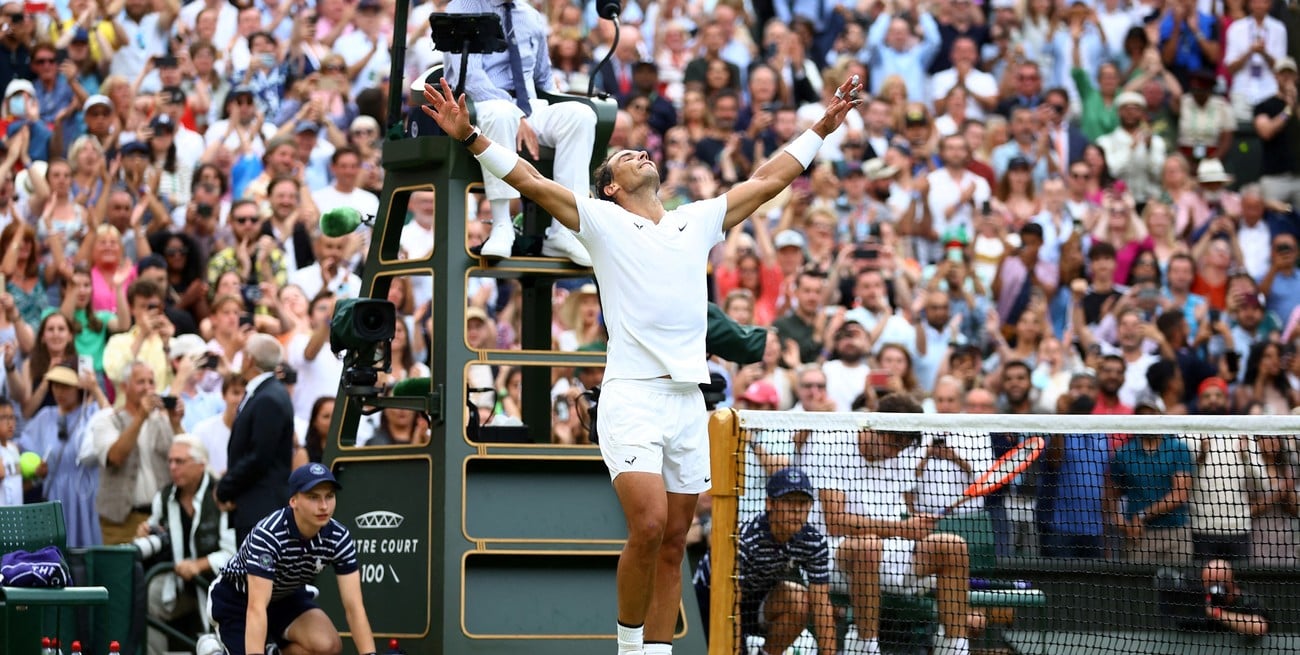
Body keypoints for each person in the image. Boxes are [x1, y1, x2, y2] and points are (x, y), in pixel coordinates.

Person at [421, 72, 863, 655]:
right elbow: (530, 179)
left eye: (640, 151)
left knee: (675, 541)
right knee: (649, 525)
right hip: (631, 396)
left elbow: (767, 180)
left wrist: (821, 129)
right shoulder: (602, 222)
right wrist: (470, 136)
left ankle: (657, 651)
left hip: (688, 402)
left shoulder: (694, 220)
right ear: (610, 188)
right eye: (624, 157)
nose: (638, 152)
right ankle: (629, 648)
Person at [812, 393, 972, 655]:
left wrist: (916, 524)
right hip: (832, 555)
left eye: (904, 445)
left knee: (953, 546)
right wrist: (900, 529)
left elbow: (906, 513)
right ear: (877, 427)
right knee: (868, 546)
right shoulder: (834, 446)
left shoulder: (904, 456)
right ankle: (866, 647)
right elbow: (835, 522)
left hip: (889, 551)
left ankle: (955, 648)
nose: (896, 451)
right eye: (894, 442)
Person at [443, 0, 594, 266]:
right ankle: (502, 225)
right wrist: (517, 114)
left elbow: (543, 78)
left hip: (529, 106)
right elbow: (472, 81)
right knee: (501, 113)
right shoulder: (463, 7)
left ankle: (565, 231)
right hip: (482, 106)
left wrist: (542, 104)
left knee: (581, 115)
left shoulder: (531, 16)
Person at [208, 463, 376, 655]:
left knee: (328, 646)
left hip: (286, 596)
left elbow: (354, 607)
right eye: (313, 497)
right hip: (239, 600)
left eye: (329, 496)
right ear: (293, 501)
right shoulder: (269, 535)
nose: (324, 506)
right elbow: (256, 608)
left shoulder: (339, 536)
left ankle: (273, 651)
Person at [693, 467, 835, 655]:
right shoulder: (746, 540)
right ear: (770, 504)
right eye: (788, 501)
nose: (796, 509)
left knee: (799, 600)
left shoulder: (813, 542)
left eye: (802, 502)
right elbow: (730, 603)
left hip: (756, 600)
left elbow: (822, 604)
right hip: (711, 601)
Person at [136, 435, 236, 655]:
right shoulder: (164, 497)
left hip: (219, 583)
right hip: (178, 582)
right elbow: (154, 529)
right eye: (170, 461)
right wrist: (145, 532)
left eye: (179, 461)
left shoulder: (221, 494)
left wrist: (198, 565)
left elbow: (233, 553)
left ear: (201, 464)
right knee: (149, 595)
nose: (173, 467)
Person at [84, 361, 184, 545]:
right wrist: (140, 417)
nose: (147, 388)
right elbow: (115, 457)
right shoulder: (107, 421)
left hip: (161, 519)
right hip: (121, 522)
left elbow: (187, 459)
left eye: (151, 382)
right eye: (140, 382)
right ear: (124, 387)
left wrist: (176, 424)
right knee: (122, 564)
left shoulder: (162, 421)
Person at [215, 334, 295, 546]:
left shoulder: (268, 398)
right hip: (255, 506)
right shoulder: (267, 392)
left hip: (261, 509)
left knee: (258, 567)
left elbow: (260, 457)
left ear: (249, 360)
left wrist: (225, 488)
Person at [1200, 559, 1270, 635]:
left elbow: (1259, 627)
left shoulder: (1247, 600)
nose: (1213, 589)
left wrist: (1217, 614)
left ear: (1231, 580)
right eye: (1208, 585)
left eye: (1215, 583)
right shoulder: (1205, 601)